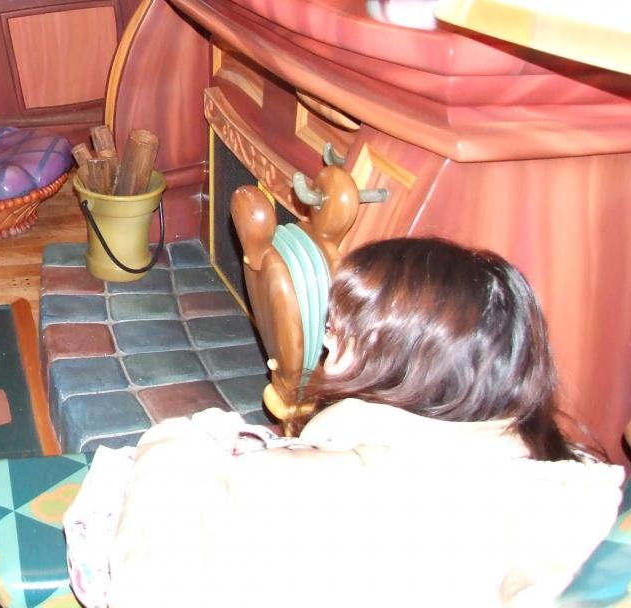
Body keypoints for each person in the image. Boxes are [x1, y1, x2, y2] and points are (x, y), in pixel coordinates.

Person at [84, 238, 623, 607]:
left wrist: (173, 441)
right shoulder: (572, 477)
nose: (324, 340)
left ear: (401, 360)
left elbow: (149, 584)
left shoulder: (309, 488)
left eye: (341, 330)